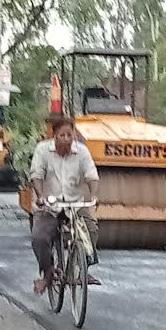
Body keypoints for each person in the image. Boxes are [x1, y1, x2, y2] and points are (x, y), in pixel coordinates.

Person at [29, 116, 100, 294]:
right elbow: (36, 175)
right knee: (39, 238)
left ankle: (82, 268)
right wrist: (41, 196)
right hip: (50, 205)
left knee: (91, 230)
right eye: (62, 135)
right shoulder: (42, 150)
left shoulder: (82, 152)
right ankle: (47, 274)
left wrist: (93, 196)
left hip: (75, 204)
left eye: (70, 135)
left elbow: (91, 175)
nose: (67, 139)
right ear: (54, 136)